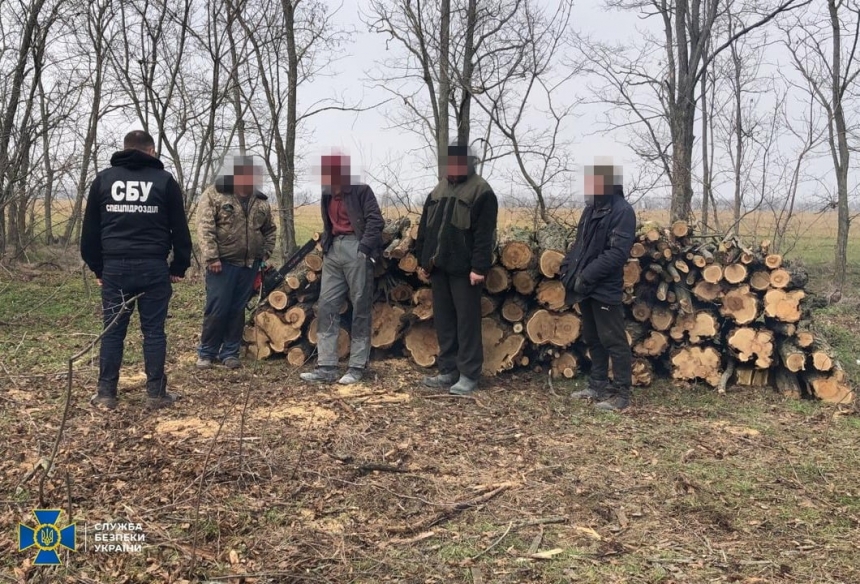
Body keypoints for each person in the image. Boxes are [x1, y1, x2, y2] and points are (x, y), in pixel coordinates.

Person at [80, 130, 192, 410]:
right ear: (151, 151)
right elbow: (180, 229)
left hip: (115, 268)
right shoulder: (164, 181)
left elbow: (90, 233)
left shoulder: (104, 180)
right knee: (154, 332)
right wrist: (178, 266)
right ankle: (156, 394)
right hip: (153, 267)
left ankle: (106, 393)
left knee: (113, 331)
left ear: (125, 147)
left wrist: (98, 269)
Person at [414, 142, 498, 395]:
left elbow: (485, 234)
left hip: (465, 270)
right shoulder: (439, 189)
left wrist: (478, 267)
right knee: (445, 321)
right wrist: (423, 259)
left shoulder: (481, 191)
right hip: (439, 267)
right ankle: (447, 370)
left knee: (467, 322)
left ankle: (469, 374)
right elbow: (425, 228)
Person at [300, 152, 384, 385]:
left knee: (360, 305)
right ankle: (326, 366)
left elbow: (376, 220)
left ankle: (357, 366)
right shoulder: (327, 193)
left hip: (356, 248)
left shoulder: (360, 190)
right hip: (334, 250)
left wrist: (364, 248)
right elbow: (330, 223)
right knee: (327, 304)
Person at [560, 162, 636, 411]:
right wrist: (568, 268)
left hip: (604, 286)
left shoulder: (622, 211)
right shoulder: (590, 209)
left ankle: (622, 394)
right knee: (593, 338)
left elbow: (617, 253)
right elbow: (580, 246)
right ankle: (598, 384)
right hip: (585, 287)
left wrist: (587, 275)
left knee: (613, 339)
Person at [196, 155, 277, 370]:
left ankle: (230, 352)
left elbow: (269, 230)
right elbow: (205, 228)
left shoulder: (260, 201)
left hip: (249, 265)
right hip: (221, 264)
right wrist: (212, 256)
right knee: (217, 308)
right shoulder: (215, 194)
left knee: (237, 309)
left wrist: (265, 253)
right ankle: (207, 351)